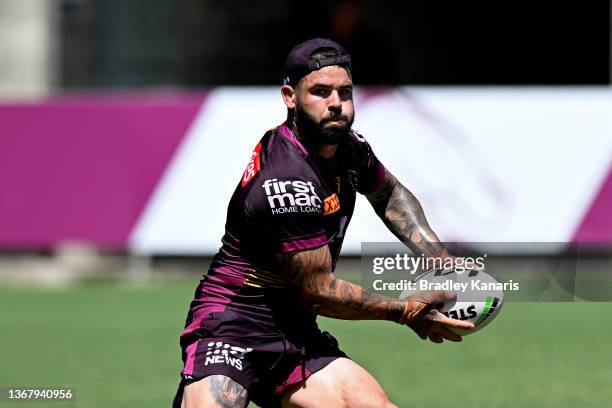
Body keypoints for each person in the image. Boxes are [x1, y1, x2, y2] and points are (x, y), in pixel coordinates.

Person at [172, 38, 473, 408]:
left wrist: (439, 259)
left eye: (344, 92)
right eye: (320, 91)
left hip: (296, 329)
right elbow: (317, 291)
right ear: (290, 96)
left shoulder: (348, 147)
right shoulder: (285, 179)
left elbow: (390, 195)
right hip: (233, 325)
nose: (336, 103)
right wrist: (405, 310)